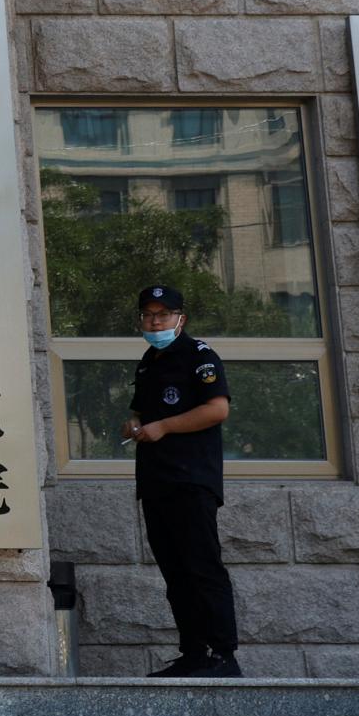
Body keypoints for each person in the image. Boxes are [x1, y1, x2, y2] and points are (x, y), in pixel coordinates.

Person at [119, 283, 239, 678]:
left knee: (202, 567)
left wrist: (164, 427)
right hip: (156, 482)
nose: (155, 321)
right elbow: (140, 411)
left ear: (180, 319)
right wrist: (135, 423)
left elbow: (217, 409)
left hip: (191, 481)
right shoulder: (149, 360)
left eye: (163, 315)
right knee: (175, 572)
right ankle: (193, 653)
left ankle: (224, 656)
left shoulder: (198, 355)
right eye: (148, 315)